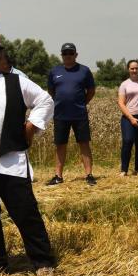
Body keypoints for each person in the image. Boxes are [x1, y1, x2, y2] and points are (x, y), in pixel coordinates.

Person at [0, 32, 55, 273]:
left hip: (10, 161)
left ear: (0, 57)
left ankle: (42, 261)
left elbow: (45, 100)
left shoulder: (15, 82)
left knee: (25, 213)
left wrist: (32, 125)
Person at [46, 42, 96, 186]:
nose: (68, 56)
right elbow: (51, 91)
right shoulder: (54, 71)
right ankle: (58, 176)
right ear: (61, 55)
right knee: (60, 145)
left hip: (79, 114)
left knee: (84, 143)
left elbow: (91, 91)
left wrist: (82, 103)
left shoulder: (84, 71)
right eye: (65, 53)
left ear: (76, 54)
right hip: (60, 114)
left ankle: (89, 175)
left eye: (70, 53)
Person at [117, 60, 138, 176]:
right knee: (127, 141)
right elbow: (121, 103)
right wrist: (131, 118)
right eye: (132, 68)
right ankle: (124, 169)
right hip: (128, 116)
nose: (134, 70)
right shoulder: (124, 84)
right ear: (128, 69)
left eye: (136, 68)